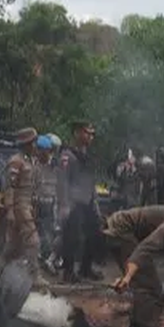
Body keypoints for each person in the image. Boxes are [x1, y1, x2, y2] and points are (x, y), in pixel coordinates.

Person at [58, 121, 102, 283]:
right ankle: (68, 272)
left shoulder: (88, 155)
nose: (90, 136)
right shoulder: (67, 155)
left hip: (88, 199)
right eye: (87, 132)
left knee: (94, 233)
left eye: (92, 133)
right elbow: (62, 181)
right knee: (72, 236)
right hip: (73, 201)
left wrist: (95, 201)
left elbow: (91, 180)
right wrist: (64, 204)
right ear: (76, 133)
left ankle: (86, 268)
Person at [1, 127, 45, 285]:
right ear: (26, 144)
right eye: (33, 143)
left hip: (28, 205)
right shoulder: (16, 161)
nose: (36, 146)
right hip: (19, 205)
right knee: (33, 241)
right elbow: (9, 187)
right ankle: (35, 275)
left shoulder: (31, 161)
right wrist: (10, 210)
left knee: (14, 244)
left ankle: (3, 271)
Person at [33, 135, 58, 270]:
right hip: (38, 203)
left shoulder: (55, 164)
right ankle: (41, 257)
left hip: (51, 203)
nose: (40, 153)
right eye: (39, 150)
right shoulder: (34, 165)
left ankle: (49, 258)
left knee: (49, 232)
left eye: (45, 151)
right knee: (39, 231)